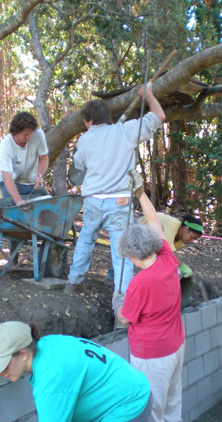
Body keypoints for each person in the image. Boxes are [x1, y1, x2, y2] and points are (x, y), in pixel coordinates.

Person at [0, 321, 152, 422]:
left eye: (4, 365)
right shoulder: (46, 345)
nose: (0, 373)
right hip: (120, 388)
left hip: (127, 401)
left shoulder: (50, 383)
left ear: (23, 354)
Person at [64, 87, 165, 295]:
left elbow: (79, 167)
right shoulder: (125, 131)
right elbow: (159, 116)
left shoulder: (85, 139)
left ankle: (73, 282)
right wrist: (148, 95)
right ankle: (122, 298)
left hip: (92, 200)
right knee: (121, 250)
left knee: (86, 239)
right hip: (119, 201)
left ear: (88, 121)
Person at [115, 172, 185, 422]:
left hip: (152, 356)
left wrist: (118, 303)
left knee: (152, 416)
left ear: (132, 255)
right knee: (172, 410)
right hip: (175, 347)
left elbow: (124, 318)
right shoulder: (167, 258)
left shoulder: (140, 283)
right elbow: (155, 221)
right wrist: (140, 193)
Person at [0, 112, 49, 206]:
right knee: (15, 209)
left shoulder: (38, 135)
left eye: (30, 134)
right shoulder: (5, 147)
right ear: (15, 132)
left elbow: (44, 158)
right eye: (25, 135)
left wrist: (39, 175)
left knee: (48, 204)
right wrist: (18, 201)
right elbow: (7, 177)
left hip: (32, 181)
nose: (29, 137)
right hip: (12, 181)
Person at [138, 213, 203, 278]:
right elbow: (168, 247)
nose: (191, 241)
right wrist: (182, 266)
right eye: (192, 237)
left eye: (194, 239)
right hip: (140, 230)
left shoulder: (181, 242)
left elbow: (167, 254)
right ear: (186, 229)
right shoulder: (173, 223)